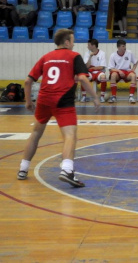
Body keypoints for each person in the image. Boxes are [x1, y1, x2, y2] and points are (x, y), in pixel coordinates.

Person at [17, 29, 100, 187]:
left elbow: (28, 81)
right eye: (73, 40)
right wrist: (95, 97)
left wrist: (28, 101)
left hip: (44, 100)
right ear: (67, 42)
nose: (74, 43)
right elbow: (82, 78)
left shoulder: (46, 57)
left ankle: (23, 169)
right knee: (70, 135)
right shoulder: (74, 56)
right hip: (63, 100)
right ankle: (67, 170)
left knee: (35, 133)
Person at [108, 39, 138, 103]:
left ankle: (131, 96)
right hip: (117, 71)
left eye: (125, 46)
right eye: (123, 46)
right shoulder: (113, 55)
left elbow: (136, 62)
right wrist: (119, 71)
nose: (125, 47)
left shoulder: (129, 53)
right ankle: (113, 96)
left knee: (133, 75)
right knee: (113, 75)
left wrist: (133, 70)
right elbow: (110, 68)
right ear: (118, 47)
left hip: (127, 71)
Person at [80, 38, 107, 103]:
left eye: (88, 45)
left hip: (98, 72)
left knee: (103, 77)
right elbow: (86, 66)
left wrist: (92, 68)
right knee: (83, 77)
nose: (87, 46)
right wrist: (90, 57)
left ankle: (102, 97)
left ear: (93, 45)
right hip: (90, 72)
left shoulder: (102, 53)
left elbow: (101, 67)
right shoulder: (87, 53)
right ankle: (84, 96)